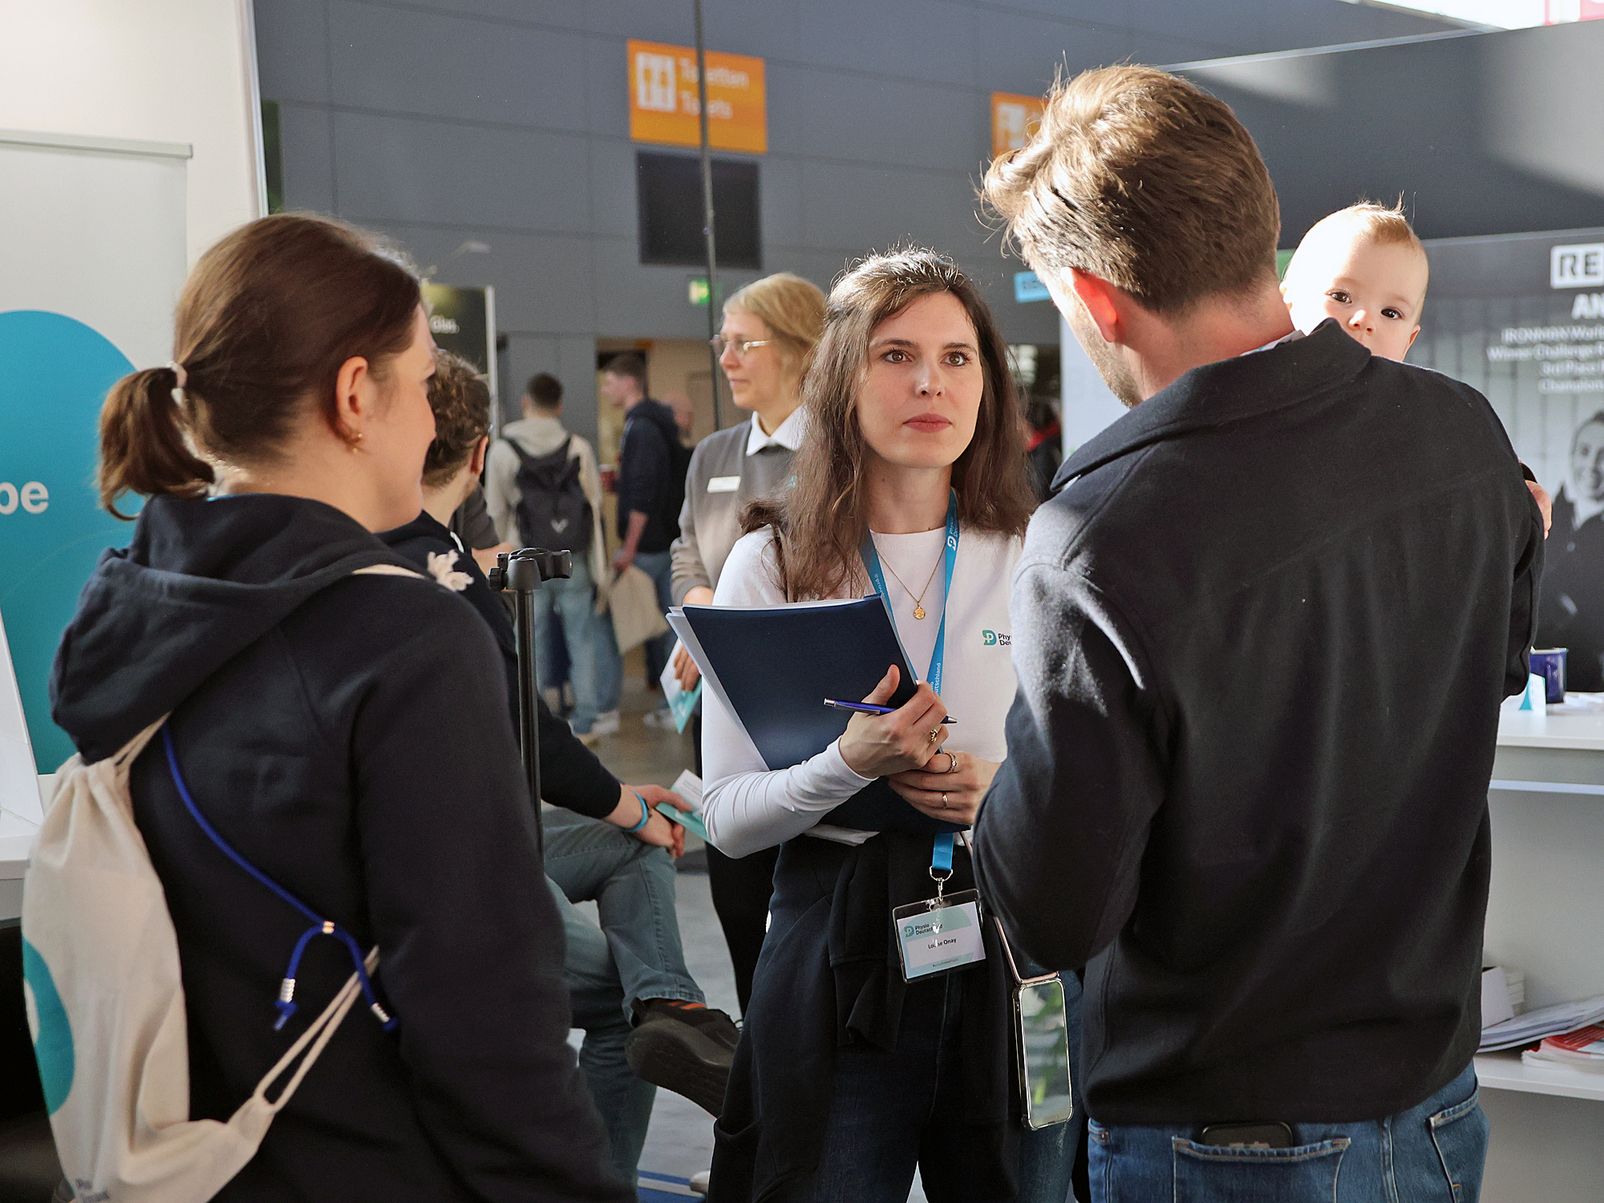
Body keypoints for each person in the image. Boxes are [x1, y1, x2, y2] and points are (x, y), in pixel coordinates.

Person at [976, 65, 1542, 1203]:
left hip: (1223, 1135)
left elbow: (1054, 907)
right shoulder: (1463, 436)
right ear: (1257, 230)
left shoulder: (1101, 531)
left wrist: (995, 801)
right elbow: (1476, 686)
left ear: (1094, 300)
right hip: (1437, 1107)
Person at [51, 213, 629, 1200]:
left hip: (193, 1162)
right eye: (423, 381)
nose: (431, 422)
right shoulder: (408, 638)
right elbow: (483, 1014)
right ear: (356, 395)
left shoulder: (136, 606)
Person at [699, 248, 1077, 1202]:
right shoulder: (773, 564)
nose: (929, 383)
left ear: (988, 384)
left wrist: (1008, 793)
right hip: (838, 955)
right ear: (841, 377)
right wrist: (846, 763)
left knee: (1035, 1184)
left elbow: (1101, 785)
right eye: (896, 354)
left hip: (1021, 958)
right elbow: (728, 818)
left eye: (957, 357)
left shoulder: (1040, 552)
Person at [381, 352, 740, 1176]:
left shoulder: (426, 553)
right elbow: (523, 730)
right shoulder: (436, 573)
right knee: (619, 1001)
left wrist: (623, 804)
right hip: (455, 873)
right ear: (478, 454)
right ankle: (628, 1098)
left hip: (486, 838)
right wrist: (625, 802)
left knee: (636, 843)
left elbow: (527, 726)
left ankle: (671, 999)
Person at [669, 270, 827, 1016]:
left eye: (742, 343)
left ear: (797, 349)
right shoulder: (713, 454)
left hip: (802, 713)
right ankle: (756, 1049)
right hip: (718, 704)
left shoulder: (836, 451)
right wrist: (705, 613)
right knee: (736, 896)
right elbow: (685, 552)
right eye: (722, 341)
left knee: (804, 900)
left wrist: (726, 627)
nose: (725, 358)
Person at [1282, 200, 1555, 533]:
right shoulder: (1260, 388)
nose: (1364, 319)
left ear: (1409, 341)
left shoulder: (1421, 410)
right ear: (1289, 298)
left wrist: (1517, 483)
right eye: (1341, 296)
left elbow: (1463, 459)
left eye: (1390, 313)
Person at [486, 371, 622, 741]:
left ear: (525, 403)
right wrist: (600, 565)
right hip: (571, 557)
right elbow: (593, 506)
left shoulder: (503, 450)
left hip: (524, 560)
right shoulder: (578, 447)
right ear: (559, 406)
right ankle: (587, 719)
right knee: (582, 637)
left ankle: (532, 720)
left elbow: (495, 512)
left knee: (530, 639)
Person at [602, 352, 685, 719]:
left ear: (630, 383)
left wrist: (629, 548)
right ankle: (674, 705)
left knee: (612, 621)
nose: (605, 389)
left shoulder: (641, 428)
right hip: (665, 538)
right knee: (670, 625)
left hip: (647, 546)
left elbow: (644, 492)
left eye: (610, 382)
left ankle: (604, 707)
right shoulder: (654, 423)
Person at [1537, 412, 1604, 688]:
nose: (1591, 465)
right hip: (1537, 673)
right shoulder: (1547, 515)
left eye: (1603, 456)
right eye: (1585, 452)